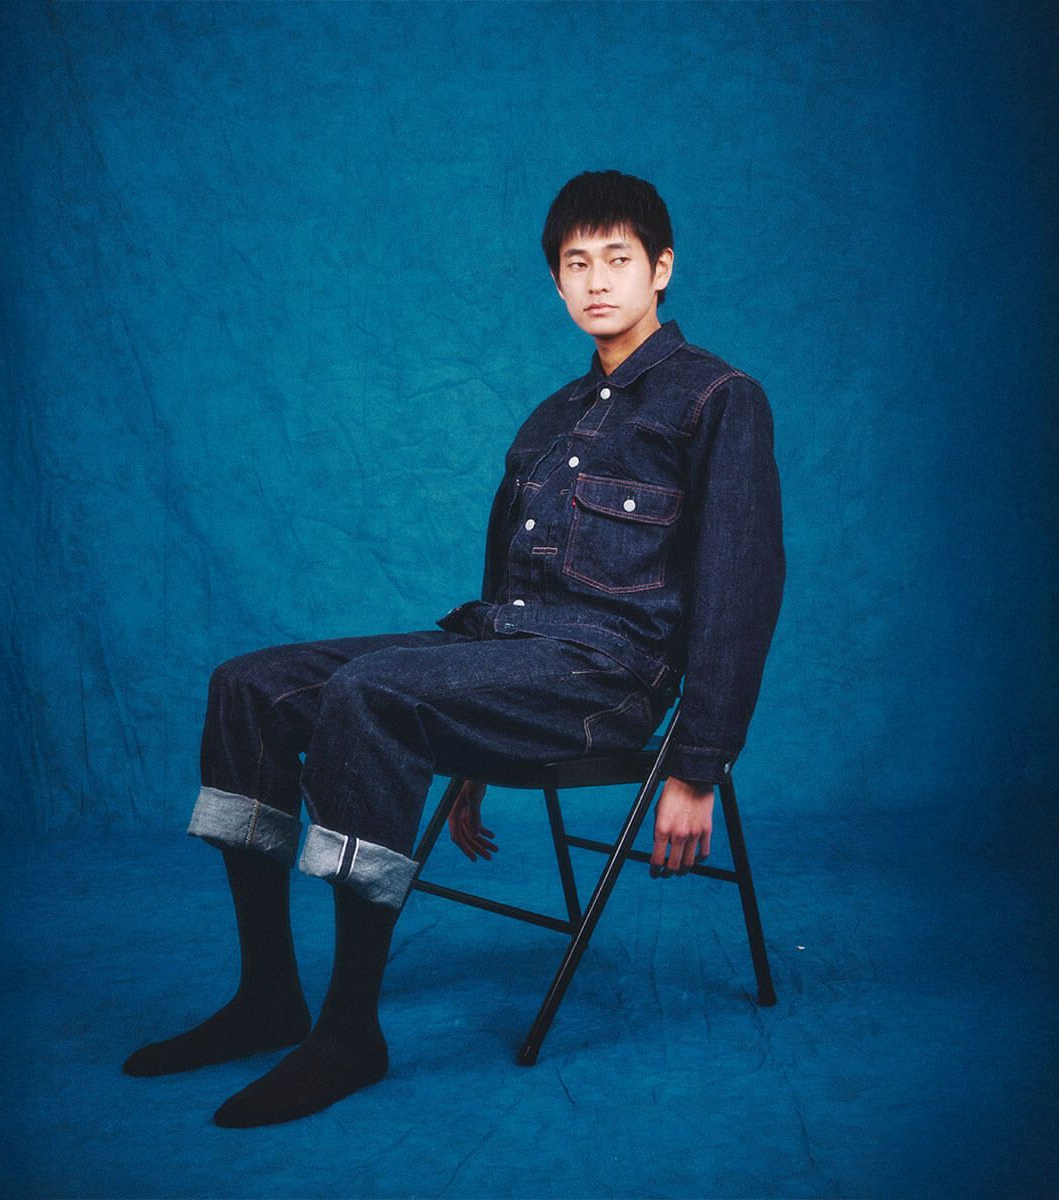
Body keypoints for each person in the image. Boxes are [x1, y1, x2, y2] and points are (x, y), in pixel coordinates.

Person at [121, 169, 786, 1126]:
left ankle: (349, 1034)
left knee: (372, 693)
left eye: (619, 259)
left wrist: (698, 764)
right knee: (248, 687)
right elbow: (502, 591)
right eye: (577, 264)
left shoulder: (720, 398)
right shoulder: (552, 418)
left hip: (605, 679)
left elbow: (740, 585)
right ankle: (268, 995)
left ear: (662, 269)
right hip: (506, 657)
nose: (598, 280)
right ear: (556, 282)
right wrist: (467, 750)